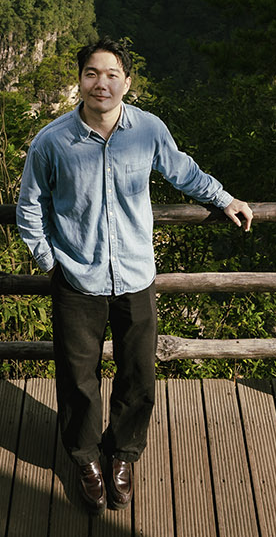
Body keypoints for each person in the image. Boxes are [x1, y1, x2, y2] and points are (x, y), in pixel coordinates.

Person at [15, 39, 254, 512]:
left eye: (110, 74)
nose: (100, 83)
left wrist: (224, 199)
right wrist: (51, 262)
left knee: (138, 373)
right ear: (79, 80)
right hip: (77, 279)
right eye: (90, 73)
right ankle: (85, 458)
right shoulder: (52, 141)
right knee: (78, 377)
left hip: (136, 276)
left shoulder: (147, 130)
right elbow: (29, 206)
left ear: (127, 82)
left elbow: (182, 171)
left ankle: (122, 454)